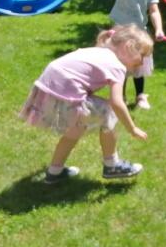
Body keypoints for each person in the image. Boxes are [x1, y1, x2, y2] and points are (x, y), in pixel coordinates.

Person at [19, 24, 153, 184]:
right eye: (142, 56)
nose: (142, 63)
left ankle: (54, 172)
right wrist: (132, 128)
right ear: (128, 47)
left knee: (74, 131)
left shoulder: (98, 51)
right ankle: (112, 165)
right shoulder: (117, 66)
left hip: (47, 90)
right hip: (67, 95)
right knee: (109, 111)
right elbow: (117, 102)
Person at [109, 0, 165, 110]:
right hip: (121, 32)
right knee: (121, 66)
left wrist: (159, 28)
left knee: (138, 66)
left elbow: (154, 11)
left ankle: (140, 95)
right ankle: (120, 97)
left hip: (139, 33)